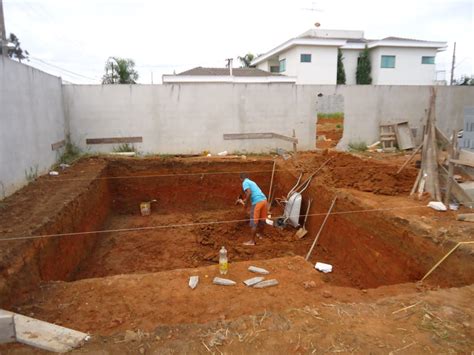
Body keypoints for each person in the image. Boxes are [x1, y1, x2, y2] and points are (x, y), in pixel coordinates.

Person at [239, 173, 268, 246]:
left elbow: (249, 193)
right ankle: (260, 235)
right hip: (264, 200)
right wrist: (245, 200)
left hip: (257, 202)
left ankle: (252, 241)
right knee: (262, 219)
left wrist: (245, 205)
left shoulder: (245, 182)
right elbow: (253, 193)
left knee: (254, 222)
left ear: (241, 179)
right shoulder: (252, 182)